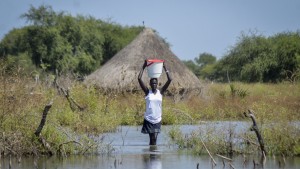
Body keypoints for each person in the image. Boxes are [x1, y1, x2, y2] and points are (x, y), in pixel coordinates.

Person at [138, 60, 172, 146]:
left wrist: (165, 67)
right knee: (152, 138)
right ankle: (152, 156)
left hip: (157, 119)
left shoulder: (160, 92)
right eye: (152, 83)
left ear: (157, 84)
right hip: (149, 119)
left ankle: (153, 156)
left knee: (155, 138)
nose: (154, 85)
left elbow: (170, 79)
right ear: (149, 84)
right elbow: (139, 78)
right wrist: (143, 66)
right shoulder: (147, 92)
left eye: (155, 83)